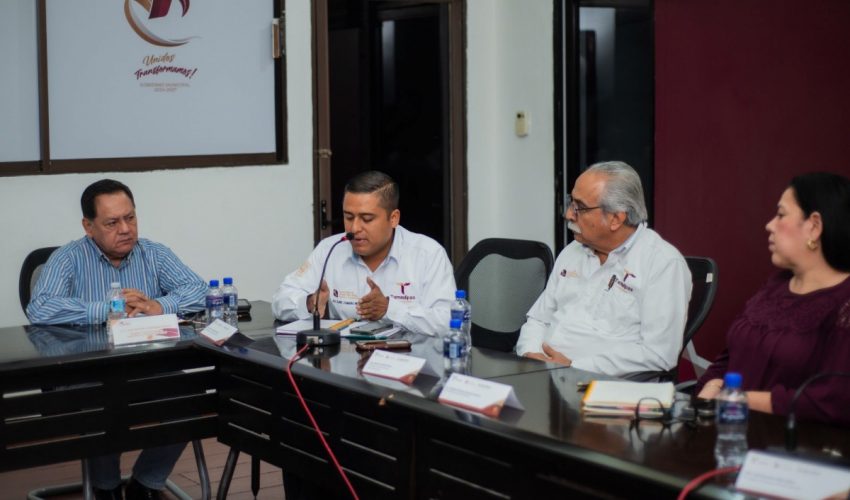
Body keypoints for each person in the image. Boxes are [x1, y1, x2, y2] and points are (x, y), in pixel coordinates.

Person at [27, 179, 206, 500]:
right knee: (101, 400)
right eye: (112, 223)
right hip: (87, 372)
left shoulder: (154, 254)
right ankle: (106, 487)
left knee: (191, 395)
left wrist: (159, 305)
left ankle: (147, 483)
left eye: (130, 218)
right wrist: (107, 309)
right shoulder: (68, 258)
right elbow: (40, 307)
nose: (125, 229)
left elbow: (200, 291)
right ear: (88, 226)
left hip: (148, 365)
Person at [696, 172, 850, 424]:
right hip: (727, 430)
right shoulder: (776, 286)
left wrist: (737, 399)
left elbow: (834, 401)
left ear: (814, 226)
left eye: (780, 215)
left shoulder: (844, 304)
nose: (769, 225)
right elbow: (731, 357)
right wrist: (707, 391)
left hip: (793, 442)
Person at [515, 161, 692, 377]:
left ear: (616, 219)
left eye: (580, 207)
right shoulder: (572, 251)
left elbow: (659, 353)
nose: (569, 214)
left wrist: (574, 367)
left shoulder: (662, 264)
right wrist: (530, 355)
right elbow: (539, 318)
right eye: (571, 203)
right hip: (543, 376)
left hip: (603, 386)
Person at [272, 170, 456, 335]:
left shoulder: (428, 255)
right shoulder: (329, 249)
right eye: (348, 217)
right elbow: (280, 300)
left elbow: (449, 321)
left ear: (393, 218)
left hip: (407, 358)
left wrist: (389, 310)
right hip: (344, 357)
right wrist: (309, 303)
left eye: (367, 219)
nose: (354, 228)